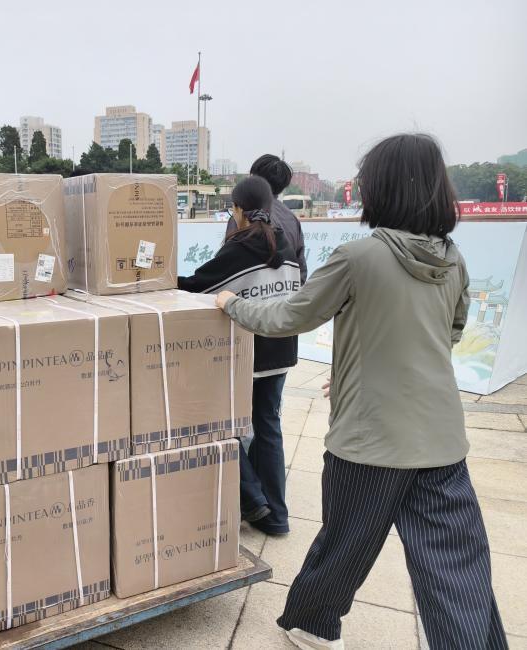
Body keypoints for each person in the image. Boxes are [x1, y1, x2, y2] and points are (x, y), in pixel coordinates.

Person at [214, 134, 505, 650]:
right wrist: (363, 367)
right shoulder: (452, 259)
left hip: (370, 442)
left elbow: (289, 316)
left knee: (344, 545)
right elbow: (449, 334)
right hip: (442, 440)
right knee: (458, 570)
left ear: (380, 190)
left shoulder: (359, 256)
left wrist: (231, 305)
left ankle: (313, 626)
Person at [179, 176, 299, 535]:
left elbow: (197, 286)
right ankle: (277, 517)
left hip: (250, 353)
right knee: (268, 427)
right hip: (282, 349)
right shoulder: (285, 243)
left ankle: (252, 499)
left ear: (237, 209)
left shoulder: (240, 248)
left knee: (219, 422)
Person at [226, 154, 307, 283]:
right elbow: (300, 270)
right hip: (286, 293)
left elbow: (227, 264)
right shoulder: (292, 219)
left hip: (248, 293)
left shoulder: (243, 214)